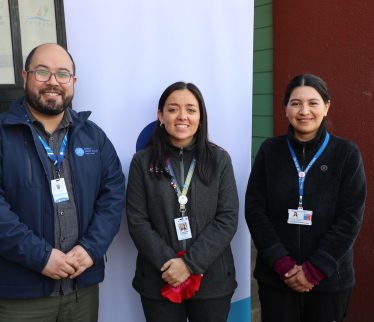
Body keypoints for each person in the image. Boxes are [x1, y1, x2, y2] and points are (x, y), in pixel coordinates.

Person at [0, 43, 126, 321]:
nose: (53, 82)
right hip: (21, 297)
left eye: (62, 74)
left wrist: (91, 248)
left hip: (82, 290)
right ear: (25, 77)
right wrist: (41, 257)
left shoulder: (93, 137)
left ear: (74, 81)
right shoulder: (2, 135)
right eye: (42, 72)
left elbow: (113, 196)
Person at [245, 74, 366, 322]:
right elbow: (255, 211)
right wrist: (282, 263)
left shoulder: (346, 154)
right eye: (296, 103)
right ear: (286, 109)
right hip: (277, 279)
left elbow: (350, 218)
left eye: (313, 103)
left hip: (330, 281)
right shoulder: (270, 151)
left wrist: (314, 270)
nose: (304, 111)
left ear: (326, 107)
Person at [126, 82, 239, 322]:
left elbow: (227, 218)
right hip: (159, 278)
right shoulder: (141, 162)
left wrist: (189, 264)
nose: (182, 117)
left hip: (213, 281)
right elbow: (138, 221)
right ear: (160, 115)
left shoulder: (219, 160)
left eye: (191, 109)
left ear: (201, 116)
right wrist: (169, 265)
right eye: (173, 109)